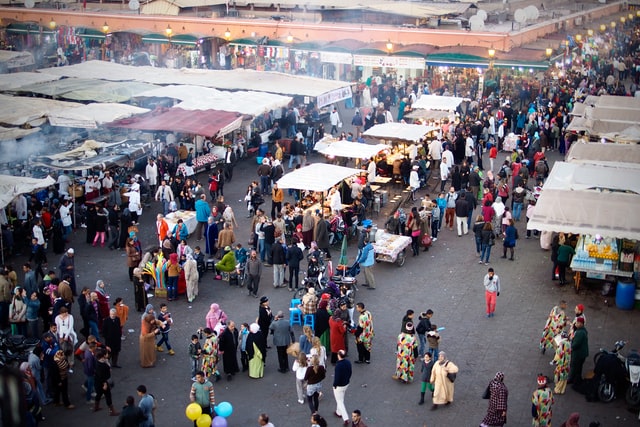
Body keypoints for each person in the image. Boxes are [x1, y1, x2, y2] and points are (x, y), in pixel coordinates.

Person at [93, 347, 119, 416]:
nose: (108, 354)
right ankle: (112, 411)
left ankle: (96, 406)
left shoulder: (98, 361)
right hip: (103, 382)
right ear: (103, 355)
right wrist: (104, 383)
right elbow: (102, 375)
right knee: (108, 395)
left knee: (99, 394)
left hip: (98, 382)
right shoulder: (103, 365)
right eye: (106, 353)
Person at [568, 317, 588, 386]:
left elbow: (575, 344)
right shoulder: (583, 331)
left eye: (577, 323)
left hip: (578, 354)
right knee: (579, 367)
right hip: (583, 353)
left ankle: (571, 378)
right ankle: (577, 378)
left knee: (574, 365)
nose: (575, 324)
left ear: (580, 324)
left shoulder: (580, 333)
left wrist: (570, 347)